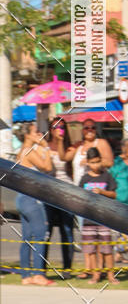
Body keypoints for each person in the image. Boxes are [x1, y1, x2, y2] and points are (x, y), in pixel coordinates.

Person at [15, 123, 54, 286]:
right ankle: (38, 274)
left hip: (22, 198)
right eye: (35, 131)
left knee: (27, 238)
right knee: (40, 235)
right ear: (28, 135)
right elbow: (47, 167)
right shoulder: (30, 151)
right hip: (32, 199)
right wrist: (45, 147)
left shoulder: (21, 151)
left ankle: (26, 275)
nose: (39, 133)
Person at [79, 147, 119, 284]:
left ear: (101, 160)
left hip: (104, 219)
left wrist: (102, 192)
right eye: (93, 162)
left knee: (107, 248)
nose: (96, 165)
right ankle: (95, 275)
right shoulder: (84, 179)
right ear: (88, 163)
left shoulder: (107, 176)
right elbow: (79, 197)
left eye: (98, 162)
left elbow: (114, 194)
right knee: (91, 250)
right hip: (88, 219)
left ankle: (110, 275)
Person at [42, 117, 75, 276]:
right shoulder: (45, 146)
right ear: (50, 129)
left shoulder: (69, 147)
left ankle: (67, 268)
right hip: (48, 192)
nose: (58, 129)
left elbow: (63, 158)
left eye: (61, 126)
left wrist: (61, 141)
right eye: (55, 127)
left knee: (66, 230)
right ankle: (42, 268)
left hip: (65, 191)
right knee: (46, 231)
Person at [72, 119, 114, 186]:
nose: (90, 130)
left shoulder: (101, 142)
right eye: (86, 128)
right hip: (78, 186)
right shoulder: (78, 145)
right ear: (82, 130)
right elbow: (64, 158)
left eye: (93, 128)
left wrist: (91, 161)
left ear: (96, 130)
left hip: (94, 186)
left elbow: (110, 163)